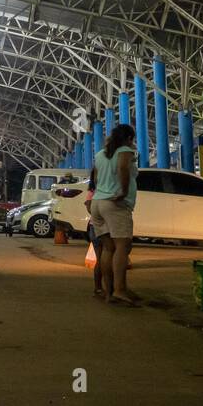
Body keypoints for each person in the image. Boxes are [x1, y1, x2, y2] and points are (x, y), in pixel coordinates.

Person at [92, 123, 138, 305]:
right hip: (115, 203)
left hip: (98, 202)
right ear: (128, 138)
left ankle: (108, 291)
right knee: (122, 247)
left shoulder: (100, 154)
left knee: (108, 248)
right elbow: (123, 169)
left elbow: (95, 178)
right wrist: (124, 191)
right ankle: (120, 290)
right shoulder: (125, 151)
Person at [84, 170, 104, 297]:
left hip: (94, 226)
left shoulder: (92, 192)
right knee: (102, 258)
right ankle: (100, 287)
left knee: (101, 258)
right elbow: (89, 207)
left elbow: (89, 208)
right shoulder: (98, 191)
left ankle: (99, 288)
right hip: (98, 227)